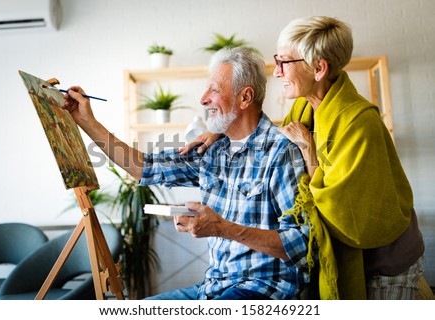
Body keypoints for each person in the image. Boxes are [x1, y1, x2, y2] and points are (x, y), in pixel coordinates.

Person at [182, 16, 425, 300]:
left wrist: (309, 149)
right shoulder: (302, 108)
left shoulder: (360, 123)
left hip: (385, 260)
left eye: (285, 62)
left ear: (319, 69)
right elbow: (275, 136)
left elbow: (346, 211)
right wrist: (222, 132)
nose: (277, 72)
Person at [62, 46, 313, 300]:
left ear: (245, 98)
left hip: (261, 290)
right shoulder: (213, 149)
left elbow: (301, 244)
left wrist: (222, 228)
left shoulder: (281, 152)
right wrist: (86, 121)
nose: (203, 99)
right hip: (212, 287)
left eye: (214, 90)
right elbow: (144, 168)